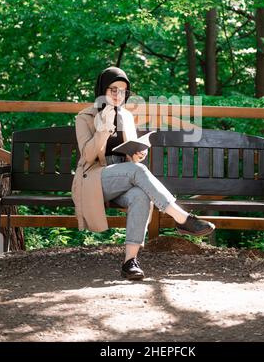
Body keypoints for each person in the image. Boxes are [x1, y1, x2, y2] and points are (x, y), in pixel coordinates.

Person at [72, 66, 215, 280]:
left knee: (141, 196)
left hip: (125, 175)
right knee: (136, 171)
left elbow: (129, 154)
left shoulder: (127, 117)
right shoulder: (85, 117)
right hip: (94, 178)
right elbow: (87, 156)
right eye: (113, 89)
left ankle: (130, 261)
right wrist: (103, 129)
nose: (118, 95)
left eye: (122, 91)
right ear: (102, 89)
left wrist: (136, 154)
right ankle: (182, 218)